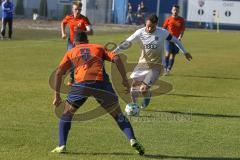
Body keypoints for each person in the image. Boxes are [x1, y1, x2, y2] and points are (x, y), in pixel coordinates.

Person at [51, 31, 145, 155]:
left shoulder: (71, 52)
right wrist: (124, 80)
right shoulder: (98, 47)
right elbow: (116, 58)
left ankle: (61, 145)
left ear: (74, 42)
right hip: (102, 84)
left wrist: (57, 96)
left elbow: (58, 73)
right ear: (87, 40)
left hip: (81, 85)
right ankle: (132, 139)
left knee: (66, 114)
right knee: (118, 115)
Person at [113, 14, 192, 109]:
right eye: (148, 26)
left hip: (157, 65)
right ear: (145, 24)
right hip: (142, 64)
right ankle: (134, 106)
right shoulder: (139, 32)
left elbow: (176, 40)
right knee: (133, 88)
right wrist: (114, 52)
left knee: (143, 89)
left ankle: (145, 96)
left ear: (156, 24)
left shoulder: (162, 32)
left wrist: (185, 52)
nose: (149, 29)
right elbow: (126, 43)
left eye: (152, 27)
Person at [61, 1, 93, 86]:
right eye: (76, 9)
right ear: (72, 9)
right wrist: (63, 33)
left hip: (83, 43)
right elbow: (63, 23)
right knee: (71, 60)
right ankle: (72, 79)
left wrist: (82, 31)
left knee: (84, 61)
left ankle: (85, 78)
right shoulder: (69, 17)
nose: (77, 11)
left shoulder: (84, 19)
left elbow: (91, 31)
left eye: (79, 9)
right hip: (71, 42)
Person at [163, 5, 186, 75]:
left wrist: (180, 37)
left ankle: (168, 69)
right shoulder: (168, 19)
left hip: (177, 40)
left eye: (176, 10)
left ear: (178, 11)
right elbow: (163, 28)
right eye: (174, 10)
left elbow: (182, 30)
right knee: (167, 54)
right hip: (168, 39)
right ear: (171, 11)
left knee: (173, 55)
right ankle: (165, 68)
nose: (175, 11)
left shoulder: (181, 20)